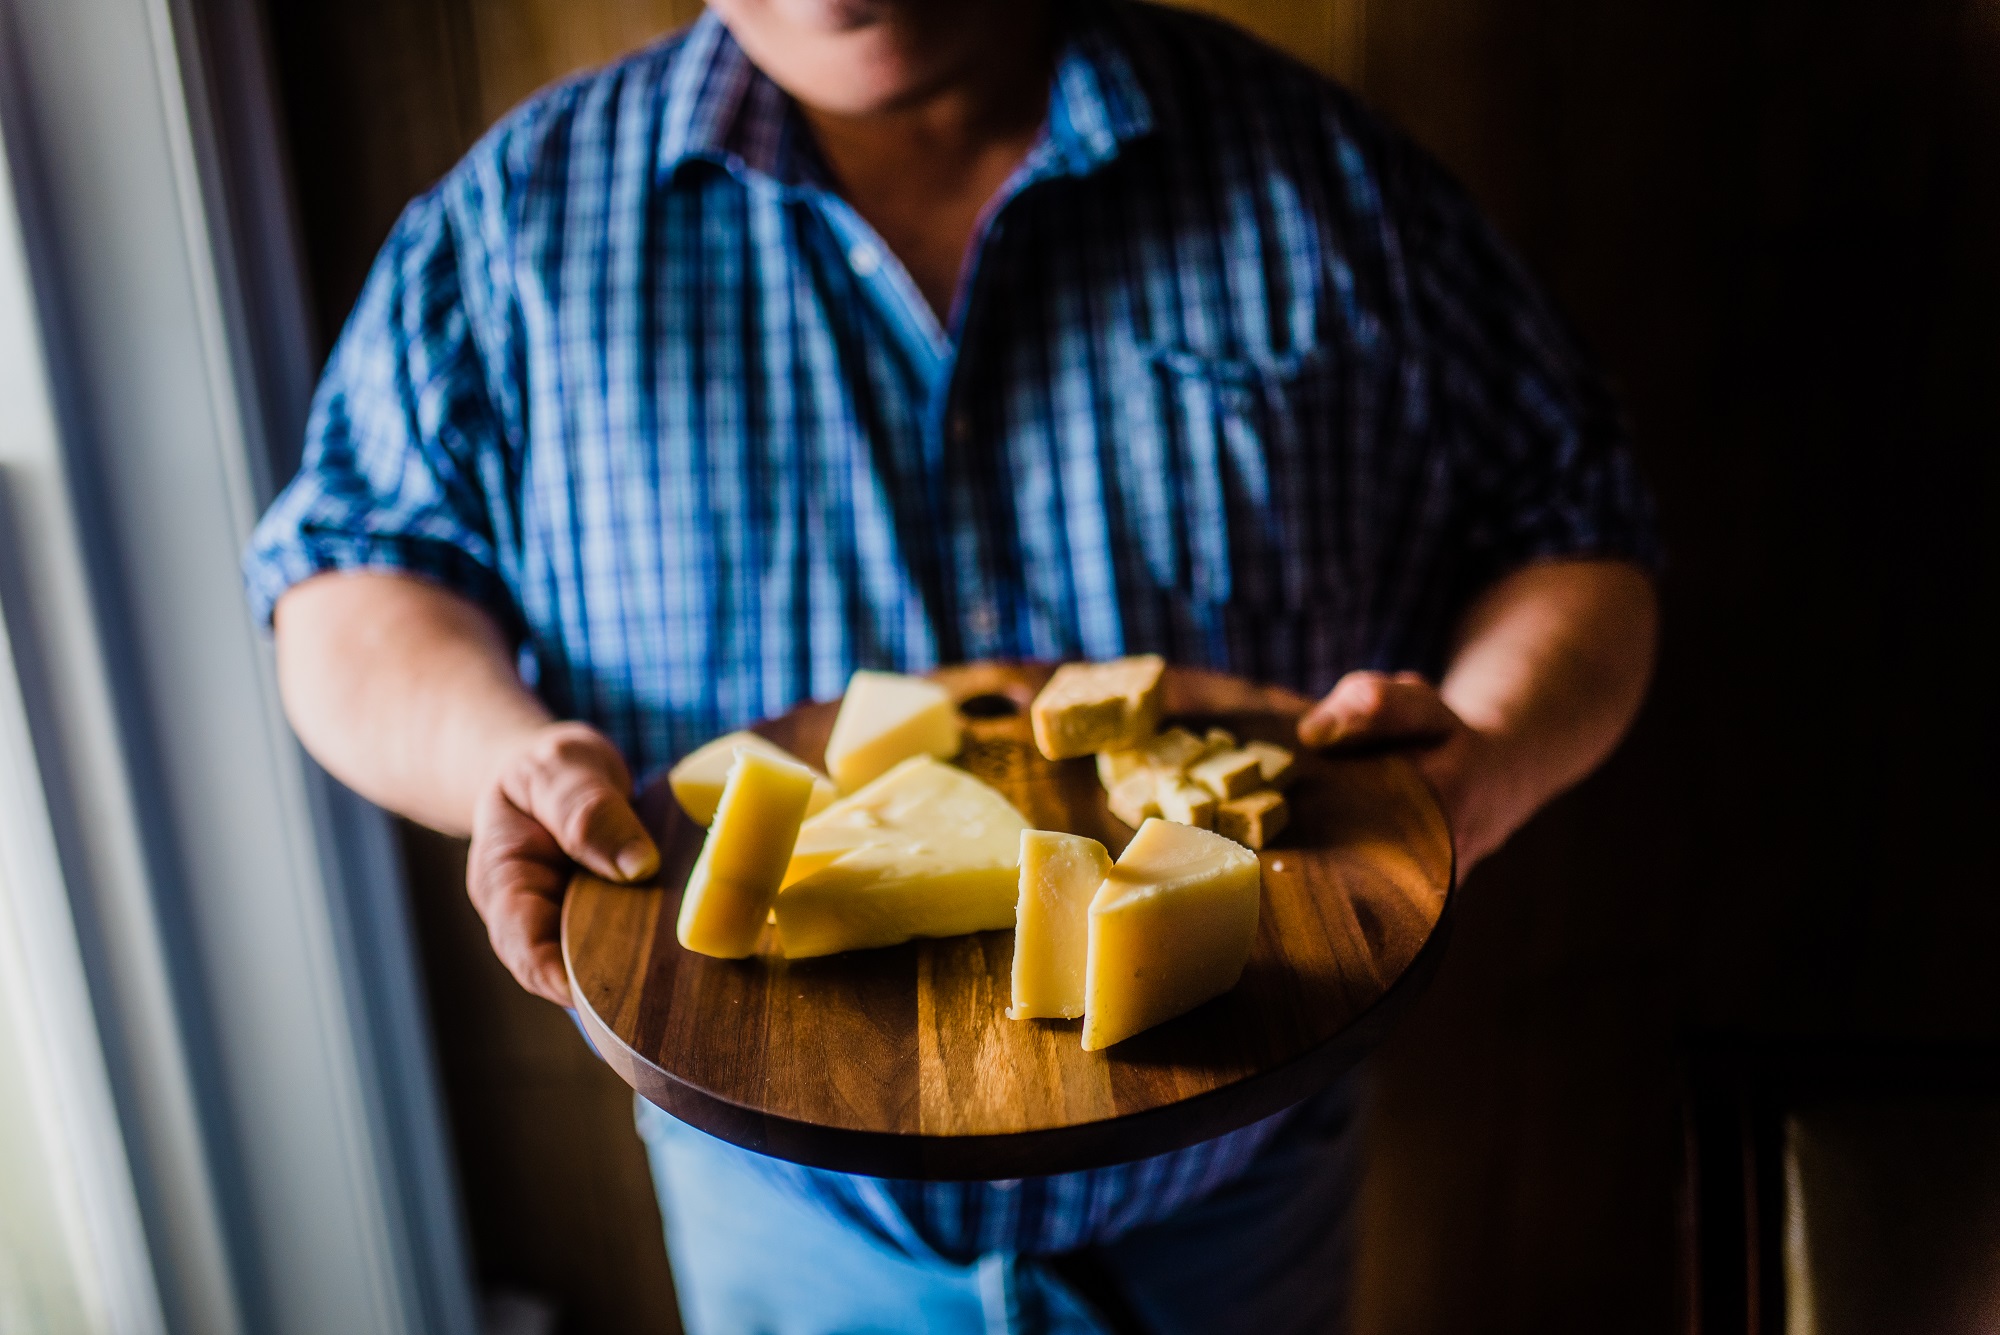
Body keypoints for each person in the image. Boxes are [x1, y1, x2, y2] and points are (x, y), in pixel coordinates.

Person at [245, 0, 1659, 1329]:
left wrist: (1490, 743)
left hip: (1241, 1181)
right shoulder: (515, 223)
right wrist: (501, 755)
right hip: (781, 1209)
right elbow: (350, 577)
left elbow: (1578, 522)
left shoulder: (1327, 173)